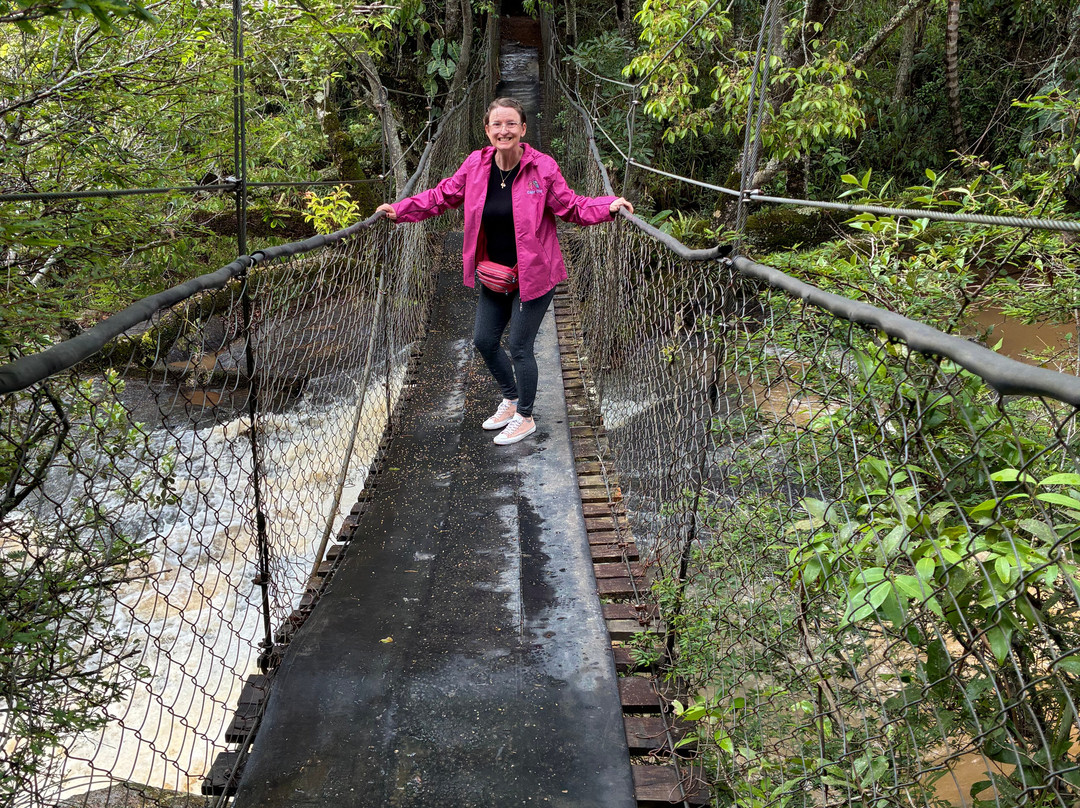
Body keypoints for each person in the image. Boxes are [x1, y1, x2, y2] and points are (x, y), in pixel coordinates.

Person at [377, 97, 633, 446]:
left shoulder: (542, 168)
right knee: (483, 340)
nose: (504, 130)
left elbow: (570, 205)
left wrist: (609, 205)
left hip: (535, 275)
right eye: (497, 124)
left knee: (520, 346)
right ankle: (511, 399)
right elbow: (442, 196)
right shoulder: (475, 166)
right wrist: (400, 209)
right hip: (495, 273)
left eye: (511, 123)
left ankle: (525, 417)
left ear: (523, 129)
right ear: (487, 130)